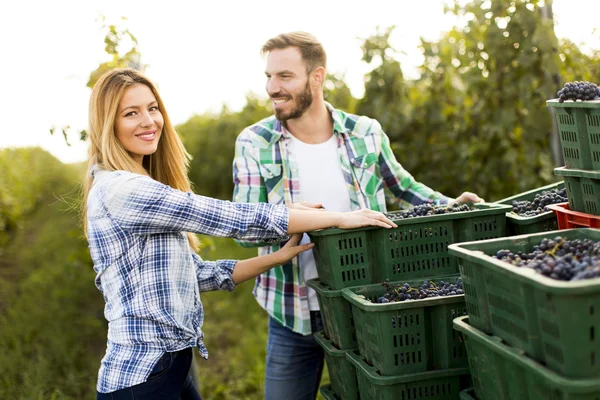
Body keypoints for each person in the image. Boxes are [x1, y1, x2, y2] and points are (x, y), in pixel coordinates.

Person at [83, 68, 397, 400]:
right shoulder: (123, 190)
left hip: (167, 369)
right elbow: (224, 216)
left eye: (153, 108)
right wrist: (339, 218)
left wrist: (276, 258)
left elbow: (198, 273)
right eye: (131, 113)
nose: (149, 121)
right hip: (141, 381)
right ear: (108, 124)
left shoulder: (136, 184)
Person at [232, 31, 484, 400]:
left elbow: (403, 188)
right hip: (293, 308)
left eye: (284, 76)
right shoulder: (254, 142)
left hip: (366, 304)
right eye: (268, 77)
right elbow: (245, 228)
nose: (272, 87)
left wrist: (452, 204)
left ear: (316, 77)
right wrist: (298, 218)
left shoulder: (365, 132)